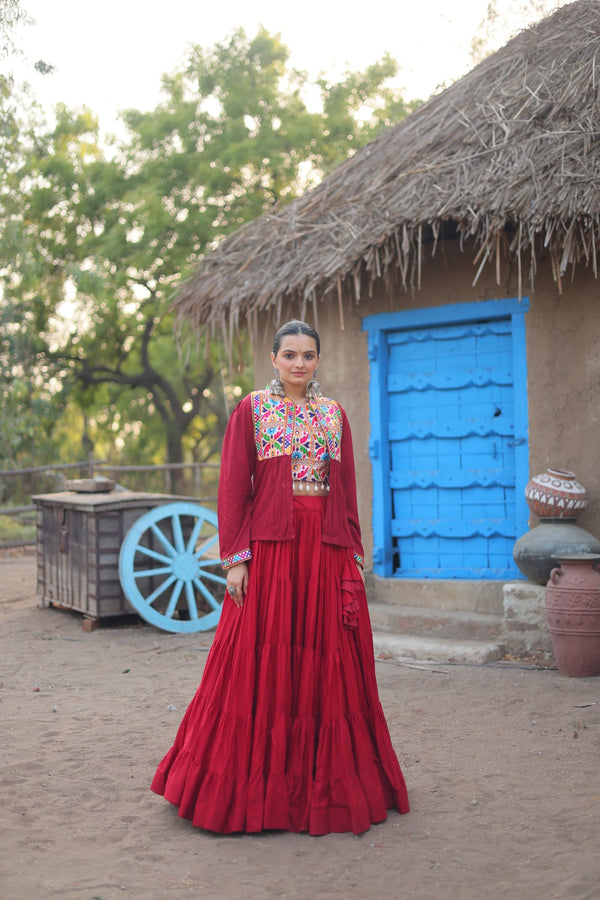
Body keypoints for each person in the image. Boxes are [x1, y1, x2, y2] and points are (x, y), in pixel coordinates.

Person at [151, 319, 409, 834]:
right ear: (274, 359)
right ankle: (251, 795)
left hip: (324, 548)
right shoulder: (252, 410)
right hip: (271, 551)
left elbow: (347, 489)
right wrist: (236, 559)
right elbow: (233, 488)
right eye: (289, 355)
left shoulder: (333, 415)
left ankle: (317, 789)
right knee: (259, 662)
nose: (298, 364)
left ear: (318, 360)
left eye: (308, 356)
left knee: (325, 666)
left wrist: (351, 555)